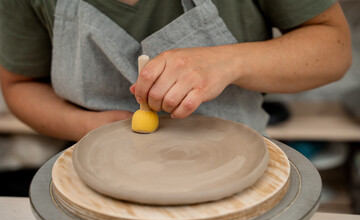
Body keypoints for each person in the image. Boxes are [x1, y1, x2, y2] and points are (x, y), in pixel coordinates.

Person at [0, 0, 351, 141]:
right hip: (98, 185)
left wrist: (229, 61)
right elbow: (19, 85)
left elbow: (333, 50)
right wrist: (92, 128)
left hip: (236, 177)